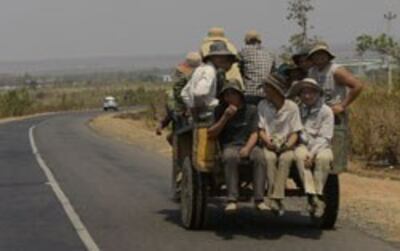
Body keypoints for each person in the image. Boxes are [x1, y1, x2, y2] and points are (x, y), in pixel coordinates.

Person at [208, 80, 268, 212]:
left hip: (249, 145)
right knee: (230, 157)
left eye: (233, 94)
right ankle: (232, 199)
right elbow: (211, 133)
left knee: (260, 157)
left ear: (240, 95)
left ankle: (259, 199)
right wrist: (225, 117)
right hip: (230, 145)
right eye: (227, 94)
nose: (230, 97)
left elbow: (254, 133)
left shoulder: (251, 109)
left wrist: (247, 148)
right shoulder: (219, 110)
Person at [258, 74, 303, 216]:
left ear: (274, 90)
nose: (264, 91)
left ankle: (276, 197)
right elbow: (261, 130)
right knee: (269, 159)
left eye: (266, 88)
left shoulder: (292, 107)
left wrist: (288, 145)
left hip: (287, 145)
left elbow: (295, 132)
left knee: (286, 159)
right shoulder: (263, 105)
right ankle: (274, 197)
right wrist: (267, 142)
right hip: (269, 143)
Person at [290, 78, 334, 217]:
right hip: (302, 144)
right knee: (299, 156)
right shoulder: (297, 110)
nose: (307, 96)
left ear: (317, 94)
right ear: (300, 95)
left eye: (311, 93)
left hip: (321, 146)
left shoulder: (326, 111)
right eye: (304, 93)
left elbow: (325, 137)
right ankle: (311, 194)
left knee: (325, 158)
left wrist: (313, 154)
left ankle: (319, 195)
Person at [181, 41, 238, 117]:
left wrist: (192, 106)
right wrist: (198, 108)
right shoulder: (209, 71)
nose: (222, 59)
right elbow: (199, 93)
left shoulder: (200, 69)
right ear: (211, 57)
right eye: (219, 57)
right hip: (208, 113)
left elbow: (184, 93)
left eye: (224, 57)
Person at [307, 43, 363, 115]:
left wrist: (342, 105)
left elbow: (357, 86)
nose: (319, 57)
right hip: (318, 111)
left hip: (334, 111)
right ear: (312, 57)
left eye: (322, 54)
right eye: (316, 54)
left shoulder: (336, 70)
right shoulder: (312, 71)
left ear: (328, 56)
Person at [239, 30, 276, 105]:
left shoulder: (244, 51)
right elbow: (272, 72)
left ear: (247, 41)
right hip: (266, 94)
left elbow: (240, 70)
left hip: (250, 94)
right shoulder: (270, 53)